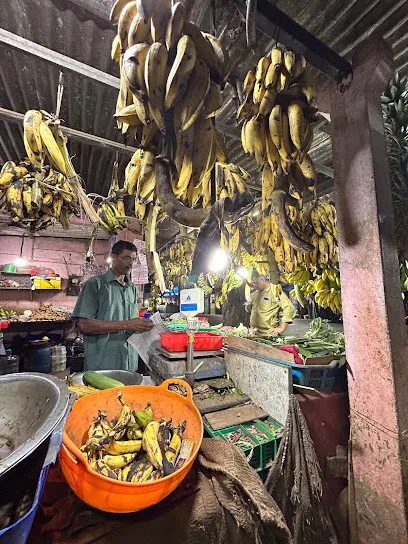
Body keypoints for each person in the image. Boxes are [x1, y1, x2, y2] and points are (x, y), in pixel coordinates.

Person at [72, 240, 153, 371]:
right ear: (113, 257)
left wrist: (143, 325)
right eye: (126, 258)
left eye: (133, 259)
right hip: (103, 362)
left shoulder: (132, 288)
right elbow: (84, 325)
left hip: (129, 361)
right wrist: (128, 324)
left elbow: (132, 321)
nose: (131, 263)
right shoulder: (95, 285)